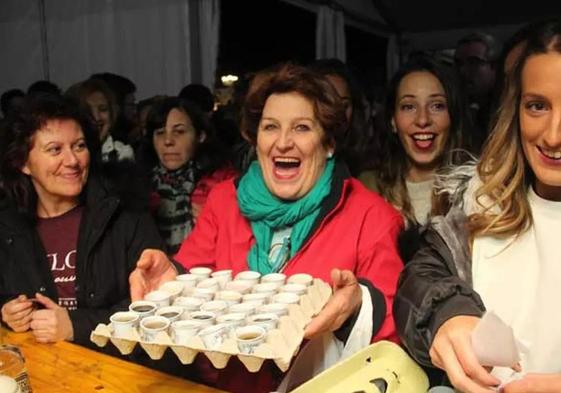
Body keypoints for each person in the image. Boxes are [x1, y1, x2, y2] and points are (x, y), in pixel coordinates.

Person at [128, 63, 404, 392]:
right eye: (270, 127)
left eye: (301, 128)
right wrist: (171, 278)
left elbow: (392, 339)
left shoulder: (371, 216)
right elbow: (193, 272)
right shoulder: (224, 201)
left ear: (328, 142)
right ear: (255, 137)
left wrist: (357, 306)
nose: (283, 142)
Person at [394, 19, 561, 393]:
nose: (553, 135)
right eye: (537, 106)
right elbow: (420, 277)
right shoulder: (483, 201)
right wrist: (447, 314)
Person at [0, 94, 163, 348]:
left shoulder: (124, 212)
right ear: (23, 162)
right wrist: (7, 310)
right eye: (55, 149)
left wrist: (78, 326)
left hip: (120, 372)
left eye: (79, 146)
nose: (73, 161)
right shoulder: (8, 226)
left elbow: (156, 304)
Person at [359, 56, 471, 227]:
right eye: (409, 106)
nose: (423, 120)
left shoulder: (478, 191)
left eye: (437, 106)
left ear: (453, 117)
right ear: (393, 121)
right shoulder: (367, 190)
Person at [142, 97, 236, 254]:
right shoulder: (138, 189)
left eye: (179, 132)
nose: (168, 141)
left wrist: (216, 221)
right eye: (160, 133)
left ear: (200, 136)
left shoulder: (224, 184)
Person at [454, 32, 502, 153]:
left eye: (474, 63)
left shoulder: (507, 109)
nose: (463, 71)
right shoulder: (456, 108)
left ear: (494, 66)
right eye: (459, 64)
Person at [66, 79, 134, 162]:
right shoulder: (63, 153)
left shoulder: (122, 153)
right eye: (87, 110)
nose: (96, 117)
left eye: (103, 109)